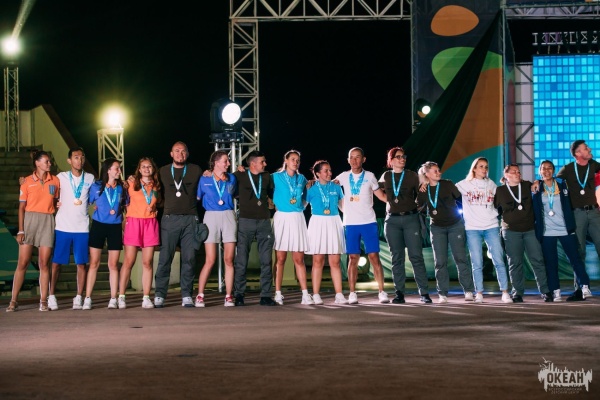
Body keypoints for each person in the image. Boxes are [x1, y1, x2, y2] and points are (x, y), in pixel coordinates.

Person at [335, 147, 389, 305]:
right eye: (351, 157)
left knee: (374, 257)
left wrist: (400, 203)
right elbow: (327, 188)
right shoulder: (343, 176)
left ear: (363, 159)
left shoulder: (370, 176)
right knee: (353, 258)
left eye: (357, 157)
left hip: (369, 222)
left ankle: (382, 292)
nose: (354, 160)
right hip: (350, 223)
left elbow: (382, 196)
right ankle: (352, 293)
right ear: (348, 160)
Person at [7, 151, 59, 312]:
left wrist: (56, 207)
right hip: (30, 221)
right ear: (37, 163)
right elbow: (21, 208)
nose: (49, 164)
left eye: (49, 161)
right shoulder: (26, 182)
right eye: (46, 161)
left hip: (47, 221)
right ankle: (13, 300)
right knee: (23, 262)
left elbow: (56, 201)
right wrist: (21, 230)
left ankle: (43, 301)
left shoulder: (55, 180)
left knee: (44, 263)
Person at [378, 147, 432, 304]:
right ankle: (399, 294)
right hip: (392, 221)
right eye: (398, 157)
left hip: (410, 219)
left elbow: (424, 187)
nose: (402, 159)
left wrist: (425, 182)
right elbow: (375, 189)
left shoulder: (411, 175)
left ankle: (424, 293)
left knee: (416, 257)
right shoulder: (386, 176)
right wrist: (388, 201)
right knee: (397, 258)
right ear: (391, 160)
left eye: (404, 156)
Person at [533, 160, 591, 302]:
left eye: (549, 168)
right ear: (540, 171)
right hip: (547, 232)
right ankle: (556, 291)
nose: (546, 171)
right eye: (543, 168)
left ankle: (584, 286)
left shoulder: (563, 185)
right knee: (551, 263)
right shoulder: (536, 188)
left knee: (575, 259)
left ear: (553, 171)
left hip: (566, 229)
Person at [416, 161, 475, 304]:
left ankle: (468, 290)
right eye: (435, 171)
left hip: (455, 225)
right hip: (437, 227)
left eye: (439, 170)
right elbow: (418, 206)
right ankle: (442, 293)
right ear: (426, 174)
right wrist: (421, 187)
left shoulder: (447, 184)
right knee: (440, 262)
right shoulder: (423, 189)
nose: (439, 172)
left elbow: (461, 199)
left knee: (460, 258)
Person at [455, 157, 512, 304]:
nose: (484, 169)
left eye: (486, 166)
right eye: (481, 166)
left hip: (491, 226)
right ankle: (479, 293)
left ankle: (505, 292)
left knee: (498, 259)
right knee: (477, 262)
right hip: (472, 228)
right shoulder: (464, 184)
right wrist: (425, 182)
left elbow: (501, 198)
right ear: (474, 168)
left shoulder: (491, 184)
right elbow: (446, 189)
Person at [154, 142, 203, 308]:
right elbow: (148, 181)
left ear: (187, 154)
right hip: (169, 219)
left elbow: (211, 179)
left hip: (190, 219)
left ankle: (186, 294)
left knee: (189, 258)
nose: (180, 154)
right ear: (171, 153)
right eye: (177, 151)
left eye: (183, 151)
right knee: (165, 258)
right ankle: (160, 294)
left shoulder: (196, 170)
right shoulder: (162, 171)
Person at [494, 164, 552, 303]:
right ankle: (517, 293)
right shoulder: (500, 190)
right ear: (506, 175)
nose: (518, 174)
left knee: (538, 260)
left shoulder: (526, 185)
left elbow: (541, 184)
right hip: (510, 231)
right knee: (515, 263)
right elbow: (495, 209)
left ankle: (545, 291)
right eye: (514, 172)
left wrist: (538, 181)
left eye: (518, 172)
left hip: (530, 229)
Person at [47, 147, 95, 310]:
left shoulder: (90, 178)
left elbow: (98, 193)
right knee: (56, 264)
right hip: (63, 227)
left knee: (81, 264)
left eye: (82, 157)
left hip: (82, 228)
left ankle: (79, 296)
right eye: (75, 157)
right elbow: (47, 189)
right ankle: (51, 295)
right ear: (69, 160)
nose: (79, 160)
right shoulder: (60, 177)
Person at [116, 157, 162, 310]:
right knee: (129, 261)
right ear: (139, 169)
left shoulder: (156, 185)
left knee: (147, 262)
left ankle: (146, 297)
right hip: (134, 222)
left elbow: (157, 203)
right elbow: (120, 197)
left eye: (149, 166)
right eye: (143, 166)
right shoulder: (131, 183)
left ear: (153, 169)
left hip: (150, 223)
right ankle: (121, 296)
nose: (146, 169)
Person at [556, 140, 599, 298]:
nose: (589, 149)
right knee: (578, 252)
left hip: (594, 212)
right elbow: (554, 183)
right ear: (577, 153)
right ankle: (581, 288)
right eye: (586, 148)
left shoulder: (594, 165)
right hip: (577, 214)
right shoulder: (567, 169)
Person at [233, 151, 276, 306]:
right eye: (262, 161)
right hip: (245, 221)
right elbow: (224, 180)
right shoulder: (239, 175)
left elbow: (272, 194)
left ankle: (266, 295)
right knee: (241, 259)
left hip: (264, 221)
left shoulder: (267, 177)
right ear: (252, 163)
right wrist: (208, 172)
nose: (265, 164)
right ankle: (239, 295)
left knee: (266, 260)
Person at [195, 151, 237, 307]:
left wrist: (240, 170)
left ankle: (228, 296)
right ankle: (200, 295)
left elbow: (236, 194)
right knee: (210, 259)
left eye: (228, 161)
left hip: (228, 215)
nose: (228, 164)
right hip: (211, 216)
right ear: (216, 163)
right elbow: (197, 198)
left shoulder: (232, 178)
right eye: (225, 161)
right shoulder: (204, 179)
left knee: (229, 259)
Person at [272, 150, 313, 305]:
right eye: (293, 159)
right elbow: (259, 182)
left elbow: (305, 199)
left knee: (299, 259)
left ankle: (305, 294)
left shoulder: (302, 179)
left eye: (298, 160)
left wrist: (301, 206)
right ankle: (277, 293)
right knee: (280, 258)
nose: (295, 162)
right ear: (286, 161)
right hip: (282, 217)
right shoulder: (275, 177)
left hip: (297, 218)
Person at [306, 160, 348, 305]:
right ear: (317, 174)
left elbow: (344, 208)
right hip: (317, 223)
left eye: (330, 170)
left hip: (334, 221)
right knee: (318, 260)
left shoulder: (336, 187)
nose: (329, 173)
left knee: (335, 261)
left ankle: (339, 295)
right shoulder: (311, 189)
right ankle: (316, 294)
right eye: (326, 171)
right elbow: (301, 206)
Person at [85, 158, 125, 309]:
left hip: (115, 227)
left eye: (119, 168)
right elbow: (85, 202)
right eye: (116, 168)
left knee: (113, 264)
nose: (119, 171)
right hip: (98, 226)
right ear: (108, 170)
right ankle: (87, 298)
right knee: (94, 263)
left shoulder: (122, 188)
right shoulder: (96, 186)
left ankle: (113, 298)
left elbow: (126, 205)